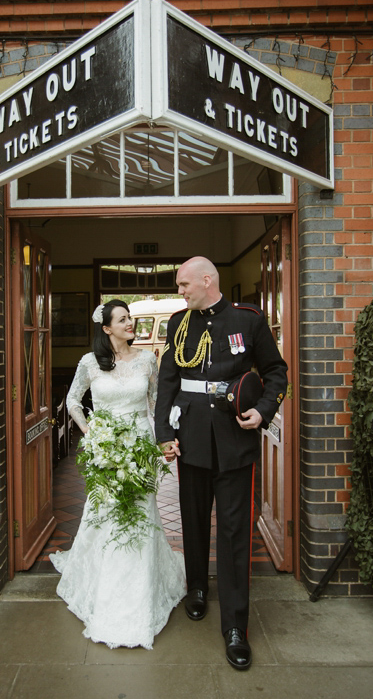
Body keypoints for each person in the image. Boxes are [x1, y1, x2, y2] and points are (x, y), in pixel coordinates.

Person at [155, 257, 288, 671]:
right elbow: (168, 381)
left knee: (233, 535)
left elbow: (276, 372)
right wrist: (164, 433)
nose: (180, 291)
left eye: (183, 284)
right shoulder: (179, 323)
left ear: (207, 280)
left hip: (234, 441)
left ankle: (235, 627)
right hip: (191, 437)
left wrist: (264, 411)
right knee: (193, 520)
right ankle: (197, 588)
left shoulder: (248, 320)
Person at [50, 299, 186, 649]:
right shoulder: (89, 363)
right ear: (107, 328)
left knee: (141, 514)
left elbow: (156, 403)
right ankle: (104, 587)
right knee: (105, 513)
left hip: (140, 449)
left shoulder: (146, 360)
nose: (131, 323)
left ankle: (142, 592)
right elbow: (72, 402)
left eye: (130, 318)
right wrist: (93, 433)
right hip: (107, 450)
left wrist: (162, 442)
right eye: (123, 319)